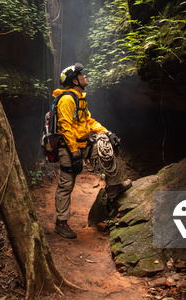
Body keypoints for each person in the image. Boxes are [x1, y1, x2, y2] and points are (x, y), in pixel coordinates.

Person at [52, 62, 132, 239]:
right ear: (74, 81)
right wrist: (74, 154)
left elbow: (88, 121)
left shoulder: (80, 98)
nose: (85, 77)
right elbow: (65, 127)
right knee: (67, 184)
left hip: (84, 144)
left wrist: (107, 132)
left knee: (109, 147)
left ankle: (113, 187)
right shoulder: (67, 100)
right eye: (82, 75)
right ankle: (61, 223)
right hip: (69, 148)